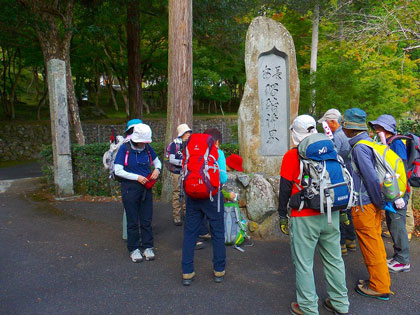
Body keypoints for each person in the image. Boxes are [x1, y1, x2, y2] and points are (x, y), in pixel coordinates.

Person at [278, 115, 349, 315]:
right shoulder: (329, 150)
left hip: (304, 216)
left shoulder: (292, 156)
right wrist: (343, 211)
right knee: (334, 259)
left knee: (304, 263)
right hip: (331, 212)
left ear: (295, 133)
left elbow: (285, 189)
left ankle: (308, 307)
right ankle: (340, 303)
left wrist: (282, 214)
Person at [342, 108, 391, 300]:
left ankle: (379, 287)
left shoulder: (360, 147)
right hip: (372, 202)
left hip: (365, 204)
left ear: (350, 128)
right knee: (375, 243)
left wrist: (378, 202)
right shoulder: (368, 143)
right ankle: (379, 281)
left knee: (371, 246)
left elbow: (370, 178)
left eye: (345, 124)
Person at [182, 128, 227, 286]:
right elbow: (223, 177)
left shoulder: (191, 151)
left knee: (190, 234)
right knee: (218, 233)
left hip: (193, 195)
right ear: (216, 142)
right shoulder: (218, 154)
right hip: (212, 196)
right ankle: (218, 271)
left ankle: (187, 272)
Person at [368, 114, 411, 272]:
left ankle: (403, 260)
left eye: (378, 126)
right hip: (394, 190)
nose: (375, 129)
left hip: (398, 191)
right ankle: (399, 256)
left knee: (397, 225)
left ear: (385, 129)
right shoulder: (389, 142)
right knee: (393, 223)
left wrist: (398, 195)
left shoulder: (396, 143)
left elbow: (399, 170)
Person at [114, 123, 161, 263]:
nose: (144, 144)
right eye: (142, 142)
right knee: (132, 220)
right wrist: (137, 177)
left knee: (146, 219)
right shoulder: (125, 149)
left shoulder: (147, 148)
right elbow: (118, 170)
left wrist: (157, 170)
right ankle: (133, 248)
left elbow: (157, 162)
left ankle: (148, 246)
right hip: (130, 188)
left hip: (146, 188)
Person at [318, 109, 356, 256]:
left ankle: (341, 245)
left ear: (333, 122)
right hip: (350, 178)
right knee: (347, 209)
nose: (324, 126)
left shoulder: (339, 136)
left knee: (339, 209)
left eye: (326, 123)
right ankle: (351, 240)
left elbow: (332, 156)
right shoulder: (346, 134)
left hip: (340, 178)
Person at [122, 119, 143, 241]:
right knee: (133, 210)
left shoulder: (126, 142)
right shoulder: (130, 143)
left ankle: (128, 234)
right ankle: (131, 235)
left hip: (127, 181)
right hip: (133, 181)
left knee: (128, 209)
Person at [168, 124, 192, 226]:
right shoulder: (174, 144)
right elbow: (171, 159)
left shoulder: (190, 144)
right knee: (176, 193)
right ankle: (177, 216)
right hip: (176, 172)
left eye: (189, 132)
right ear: (181, 134)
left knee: (187, 193)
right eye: (186, 132)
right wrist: (183, 162)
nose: (188, 134)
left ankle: (187, 214)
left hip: (187, 172)